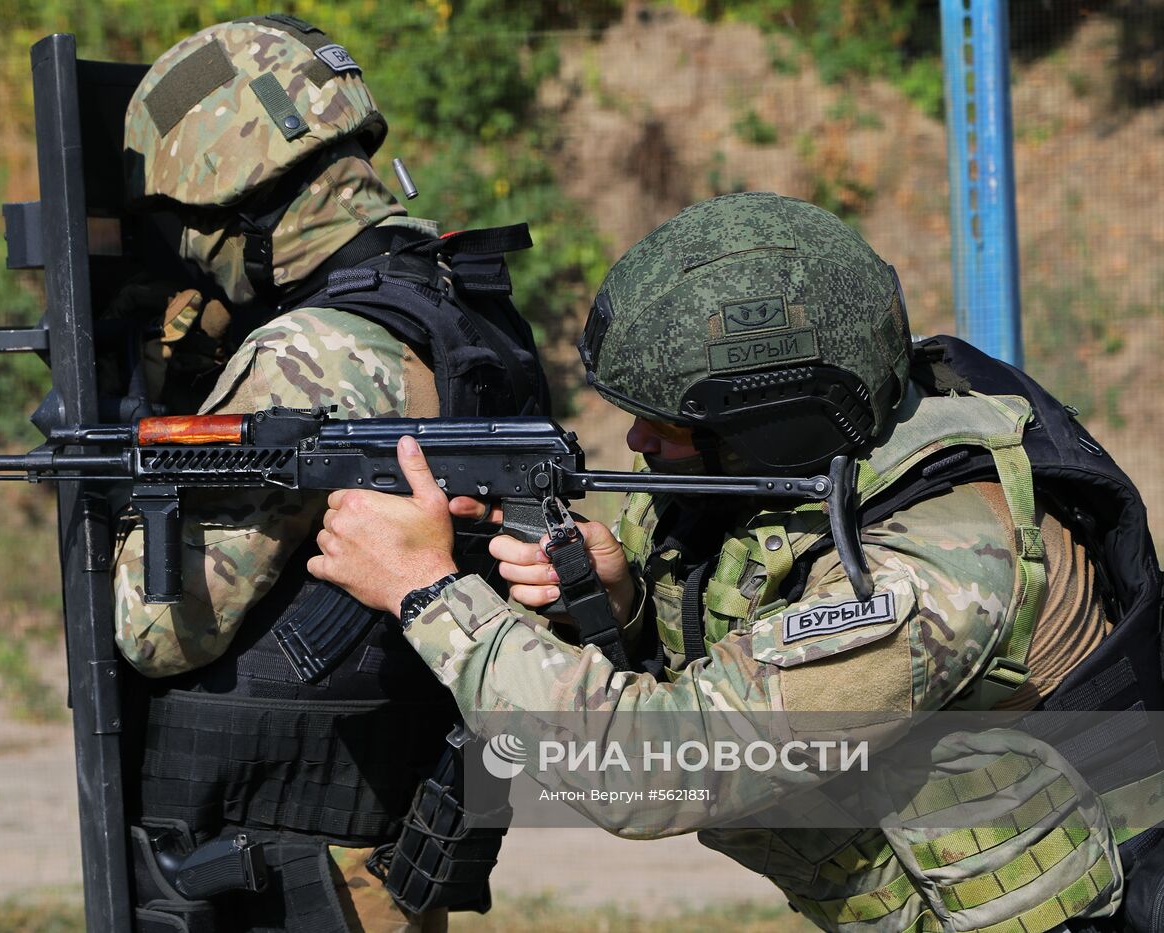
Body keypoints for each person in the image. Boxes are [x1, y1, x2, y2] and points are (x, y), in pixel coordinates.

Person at [309, 192, 1164, 931]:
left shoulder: (934, 571)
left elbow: (650, 768)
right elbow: (746, 629)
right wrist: (622, 599)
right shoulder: (822, 463)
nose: (636, 443)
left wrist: (426, 592)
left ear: (776, 419)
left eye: (668, 426)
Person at [112, 15, 548, 933]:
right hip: (385, 836)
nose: (188, 249)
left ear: (236, 200)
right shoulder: (458, 299)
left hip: (289, 870)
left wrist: (128, 454)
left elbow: (161, 631)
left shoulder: (311, 351)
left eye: (187, 225)